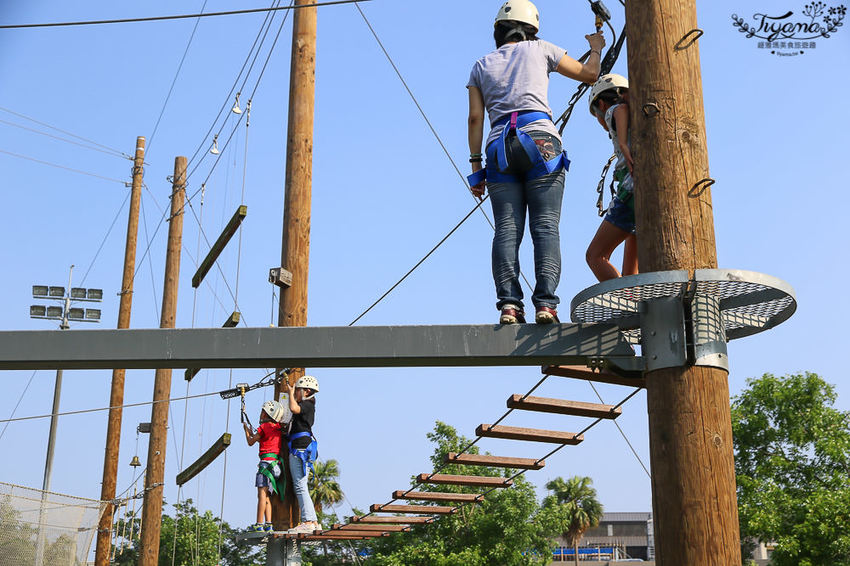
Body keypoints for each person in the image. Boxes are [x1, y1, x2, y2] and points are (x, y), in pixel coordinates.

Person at [468, 0, 605, 324]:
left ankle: (509, 307)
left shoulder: (481, 65)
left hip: (499, 146)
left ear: (498, 32)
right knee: (544, 227)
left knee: (506, 229)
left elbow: (475, 118)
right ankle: (546, 305)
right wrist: (596, 47)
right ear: (532, 29)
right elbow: (589, 74)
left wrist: (476, 170)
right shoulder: (542, 49)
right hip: (540, 141)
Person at [585, 73, 638, 281]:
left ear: (601, 104)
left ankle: (625, 302)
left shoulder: (612, 111)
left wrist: (623, 145)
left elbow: (619, 109)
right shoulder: (638, 116)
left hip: (631, 188)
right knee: (631, 275)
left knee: (596, 255)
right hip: (643, 189)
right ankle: (632, 297)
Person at [285, 375, 320, 534]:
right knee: (301, 485)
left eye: (298, 391)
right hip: (301, 446)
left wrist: (290, 394)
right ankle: (312, 520)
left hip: (299, 448)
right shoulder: (308, 405)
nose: (296, 394)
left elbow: (293, 408)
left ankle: (307, 520)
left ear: (306, 391)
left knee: (300, 485)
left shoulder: (307, 405)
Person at [243, 399, 286, 532]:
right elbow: (265, 441)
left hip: (266, 465)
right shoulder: (277, 427)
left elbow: (250, 442)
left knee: (261, 495)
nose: (260, 413)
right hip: (276, 466)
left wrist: (246, 430)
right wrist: (253, 432)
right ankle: (269, 524)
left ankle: (259, 524)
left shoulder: (264, 427)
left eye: (263, 411)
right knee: (267, 495)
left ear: (267, 414)